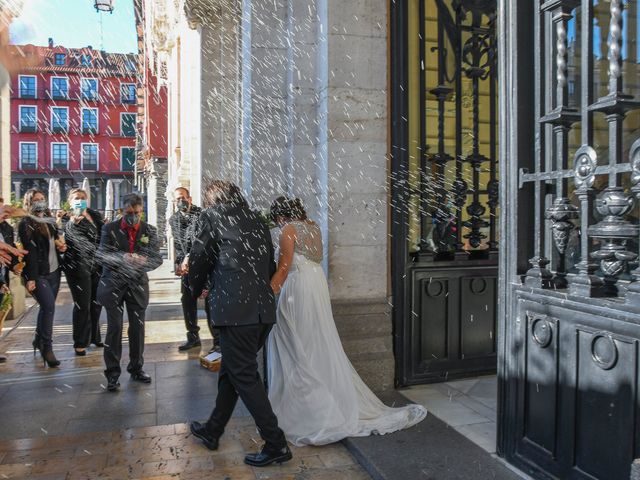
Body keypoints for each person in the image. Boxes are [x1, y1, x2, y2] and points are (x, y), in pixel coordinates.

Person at [267, 197, 427, 446]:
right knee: (314, 341)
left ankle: (311, 408)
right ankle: (320, 397)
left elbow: (284, 267)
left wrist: (267, 293)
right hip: (315, 285)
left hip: (298, 288)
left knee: (295, 342)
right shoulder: (313, 226)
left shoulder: (288, 230)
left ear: (280, 216)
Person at [188, 181, 291, 467]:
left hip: (235, 313)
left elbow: (199, 258)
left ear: (213, 199)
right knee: (233, 371)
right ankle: (213, 430)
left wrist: (194, 287)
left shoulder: (211, 216)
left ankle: (276, 443)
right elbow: (267, 266)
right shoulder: (256, 219)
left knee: (243, 375)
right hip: (261, 311)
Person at [96, 193, 162, 391]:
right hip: (114, 285)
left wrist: (144, 261)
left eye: (137, 213)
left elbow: (156, 258)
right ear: (122, 211)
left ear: (142, 212)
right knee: (114, 327)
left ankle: (136, 368)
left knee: (137, 328)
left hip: (137, 285)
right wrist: (122, 257)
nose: (133, 216)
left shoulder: (149, 230)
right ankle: (112, 374)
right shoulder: (109, 228)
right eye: (129, 213)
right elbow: (102, 255)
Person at [18, 188, 67, 367]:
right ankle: (47, 347)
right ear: (29, 203)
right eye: (35, 200)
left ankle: (38, 340)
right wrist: (31, 278)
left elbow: (54, 243)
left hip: (54, 271)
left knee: (46, 309)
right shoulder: (26, 223)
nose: (40, 202)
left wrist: (61, 248)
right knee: (49, 308)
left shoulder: (49, 220)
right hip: (38, 274)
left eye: (42, 199)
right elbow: (30, 252)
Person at [168, 187, 218, 352]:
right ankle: (193, 336)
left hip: (204, 264)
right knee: (187, 300)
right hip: (186, 267)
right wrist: (178, 262)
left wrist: (190, 258)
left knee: (209, 300)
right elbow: (179, 244)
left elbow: (201, 241)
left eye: (182, 197)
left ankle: (217, 340)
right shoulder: (174, 219)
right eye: (176, 199)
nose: (180, 201)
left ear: (189, 198)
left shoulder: (202, 215)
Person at [62, 188, 105, 356]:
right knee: (82, 305)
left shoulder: (95, 216)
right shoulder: (70, 219)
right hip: (78, 267)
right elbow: (68, 235)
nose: (80, 200)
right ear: (70, 202)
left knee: (96, 303)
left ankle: (94, 336)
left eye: (82, 197)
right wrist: (73, 222)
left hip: (97, 265)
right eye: (76, 198)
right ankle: (80, 342)